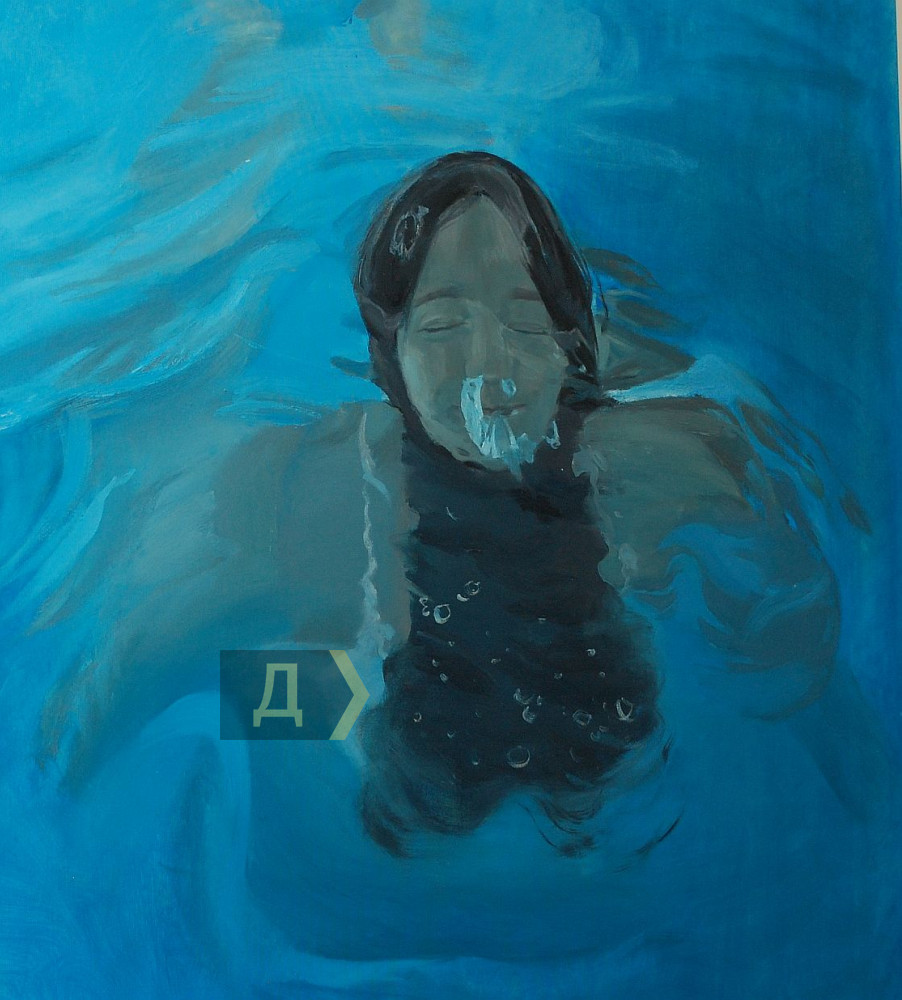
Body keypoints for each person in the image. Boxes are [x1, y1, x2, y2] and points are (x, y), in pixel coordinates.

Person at [43, 150, 860, 856]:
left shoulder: (660, 462)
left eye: (525, 322)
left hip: (620, 804)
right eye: (441, 327)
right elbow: (152, 654)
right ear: (391, 353)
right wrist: (67, 775)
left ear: (568, 345)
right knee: (304, 699)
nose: (489, 366)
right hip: (404, 788)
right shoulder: (335, 483)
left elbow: (796, 657)